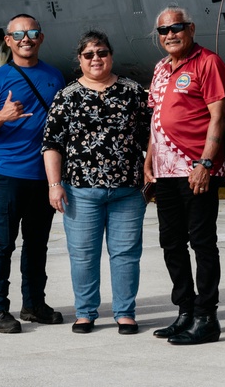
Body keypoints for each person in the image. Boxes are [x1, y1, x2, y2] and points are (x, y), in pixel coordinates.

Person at [42, 31, 151, 335]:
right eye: (89, 54)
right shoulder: (67, 96)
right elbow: (52, 143)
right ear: (80, 60)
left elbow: (150, 135)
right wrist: (54, 184)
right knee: (83, 254)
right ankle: (86, 312)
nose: (96, 59)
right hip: (80, 191)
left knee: (126, 254)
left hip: (127, 191)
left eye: (101, 52)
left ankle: (125, 312)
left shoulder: (132, 92)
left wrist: (148, 167)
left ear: (111, 55)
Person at [143, 6, 225, 345]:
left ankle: (207, 317)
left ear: (191, 28)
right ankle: (185, 311)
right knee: (171, 244)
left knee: (203, 243)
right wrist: (148, 160)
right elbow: (157, 119)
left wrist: (206, 163)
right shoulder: (161, 68)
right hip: (164, 173)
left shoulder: (208, 62)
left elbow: (219, 117)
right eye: (163, 30)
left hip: (195, 170)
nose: (170, 35)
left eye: (176, 28)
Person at [0, 14, 65, 334]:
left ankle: (33, 304)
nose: (27, 38)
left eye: (33, 33)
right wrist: (3, 114)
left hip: (44, 176)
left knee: (37, 244)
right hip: (9, 174)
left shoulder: (55, 76)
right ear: (9, 41)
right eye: (19, 34)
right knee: (2, 244)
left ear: (41, 37)